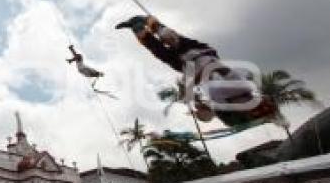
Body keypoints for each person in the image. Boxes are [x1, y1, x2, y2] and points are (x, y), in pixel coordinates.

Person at [115, 15, 277, 127]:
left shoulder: (224, 103)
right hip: (199, 54)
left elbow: (206, 107)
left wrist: (200, 110)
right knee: (169, 36)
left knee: (157, 50)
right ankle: (147, 21)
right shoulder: (243, 87)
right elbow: (218, 68)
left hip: (185, 66)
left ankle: (135, 25)